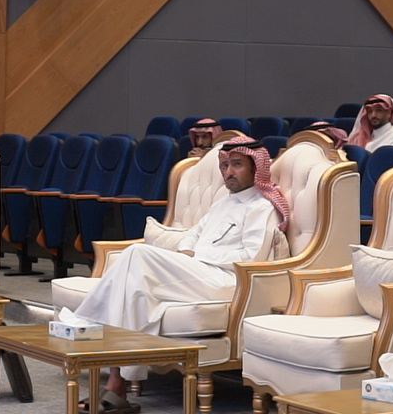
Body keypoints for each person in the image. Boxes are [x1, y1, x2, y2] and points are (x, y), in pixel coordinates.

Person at [72, 137, 288, 412]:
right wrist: (187, 251)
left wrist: (197, 255)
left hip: (229, 281)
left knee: (137, 254)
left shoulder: (262, 207)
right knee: (134, 288)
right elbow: (193, 236)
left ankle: (81, 326)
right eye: (224, 166)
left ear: (255, 168)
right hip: (200, 272)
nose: (228, 172)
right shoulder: (223, 204)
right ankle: (117, 382)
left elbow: (252, 257)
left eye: (237, 165)